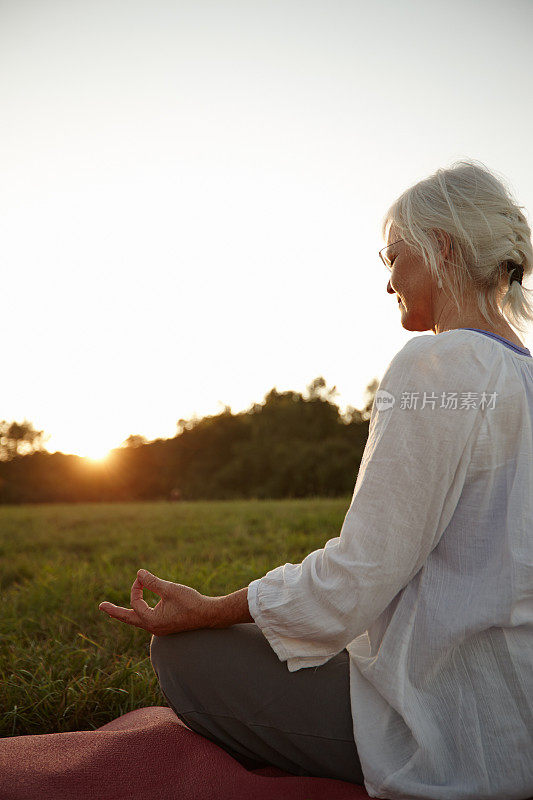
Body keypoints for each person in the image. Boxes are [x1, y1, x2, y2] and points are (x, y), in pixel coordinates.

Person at [99, 159, 533, 800]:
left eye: (394, 259)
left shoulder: (438, 364)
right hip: (518, 711)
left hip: (453, 727)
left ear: (441, 250)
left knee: (185, 658)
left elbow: (360, 573)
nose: (388, 282)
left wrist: (215, 609)